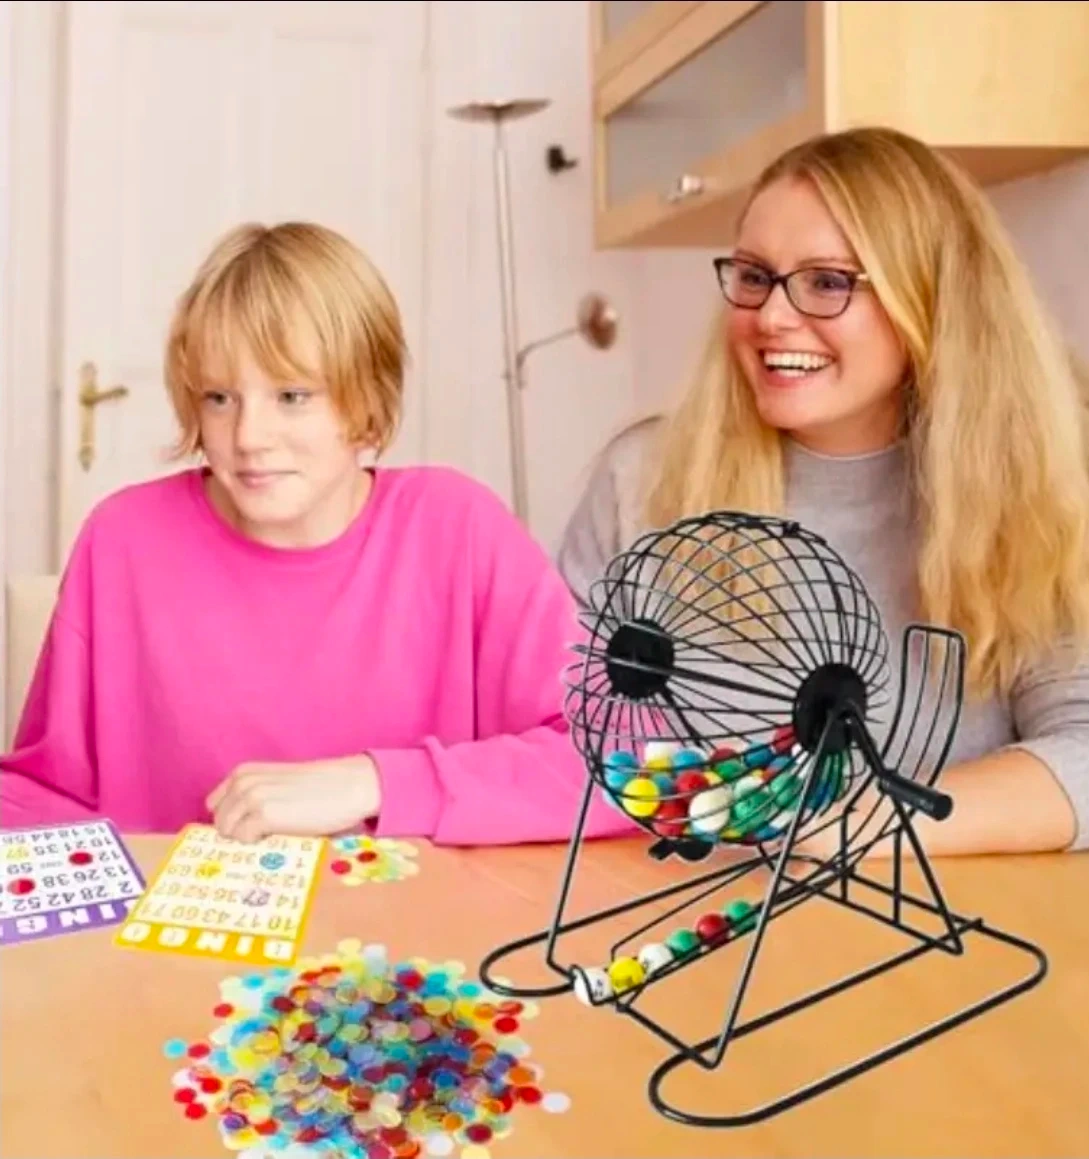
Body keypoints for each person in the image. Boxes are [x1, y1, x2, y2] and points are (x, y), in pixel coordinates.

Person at [556, 126, 1089, 858]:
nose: (771, 316)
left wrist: (849, 823)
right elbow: (552, 726)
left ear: (930, 301)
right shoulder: (641, 479)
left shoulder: (1042, 494)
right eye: (754, 275)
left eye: (828, 282)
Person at [0, 221, 634, 847]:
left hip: (413, 916)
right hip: (178, 916)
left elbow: (632, 762)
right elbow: (39, 798)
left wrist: (377, 782)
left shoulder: (458, 529)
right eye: (219, 398)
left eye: (292, 396)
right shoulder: (122, 540)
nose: (248, 437)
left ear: (366, 405)